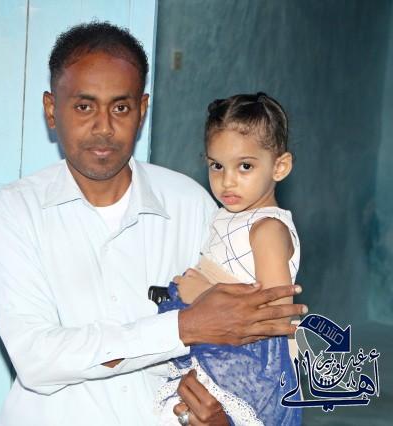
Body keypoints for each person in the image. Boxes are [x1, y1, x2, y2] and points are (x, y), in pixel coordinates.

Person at [0, 22, 306, 426]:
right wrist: (184, 326)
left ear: (142, 110)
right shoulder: (15, 211)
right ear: (52, 109)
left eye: (120, 107)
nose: (104, 127)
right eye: (84, 107)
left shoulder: (191, 204)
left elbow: (251, 332)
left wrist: (223, 420)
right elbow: (37, 359)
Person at [156, 93, 302, 425]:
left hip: (251, 360)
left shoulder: (267, 229)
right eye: (217, 166)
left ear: (279, 167)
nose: (227, 181)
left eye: (245, 166)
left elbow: (276, 316)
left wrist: (205, 294)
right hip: (220, 346)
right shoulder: (228, 215)